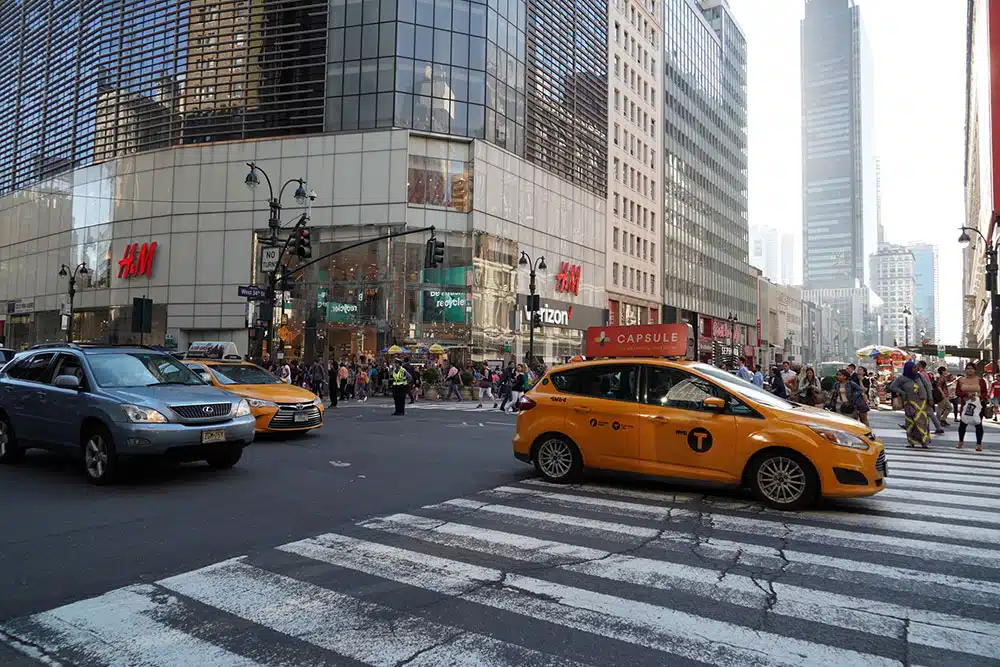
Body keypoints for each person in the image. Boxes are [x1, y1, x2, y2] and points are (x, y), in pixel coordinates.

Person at [889, 361, 931, 449]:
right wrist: (902, 393)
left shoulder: (919, 376)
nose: (916, 369)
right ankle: (911, 442)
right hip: (910, 403)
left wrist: (930, 398)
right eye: (914, 368)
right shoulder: (902, 378)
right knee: (910, 423)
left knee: (922, 422)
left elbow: (927, 386)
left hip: (921, 403)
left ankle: (924, 442)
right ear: (909, 369)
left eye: (916, 367)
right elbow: (892, 387)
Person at [956, 362, 989, 451]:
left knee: (978, 424)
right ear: (965, 370)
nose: (969, 370)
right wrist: (967, 394)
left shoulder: (981, 380)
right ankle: (961, 441)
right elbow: (957, 392)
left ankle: (979, 444)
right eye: (968, 368)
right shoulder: (961, 380)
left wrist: (978, 397)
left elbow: (985, 392)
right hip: (965, 405)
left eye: (971, 368)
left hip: (978, 406)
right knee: (962, 425)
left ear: (975, 370)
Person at [915, 360, 945, 434]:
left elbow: (926, 386)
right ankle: (938, 427)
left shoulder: (921, 374)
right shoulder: (925, 373)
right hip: (927, 395)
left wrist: (929, 397)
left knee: (919, 412)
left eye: (917, 365)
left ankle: (913, 426)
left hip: (925, 396)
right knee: (929, 412)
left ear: (919, 365)